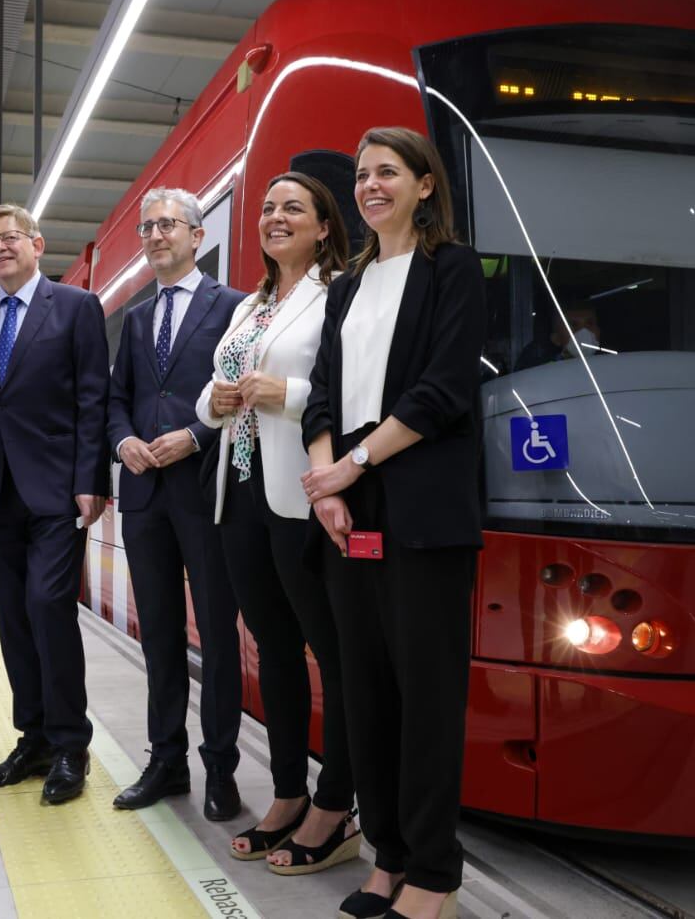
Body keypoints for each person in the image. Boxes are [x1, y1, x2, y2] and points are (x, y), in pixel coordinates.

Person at [299, 128, 485, 919]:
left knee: (426, 696)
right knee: (363, 691)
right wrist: (326, 487)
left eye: (386, 173)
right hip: (351, 512)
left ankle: (435, 873)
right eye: (361, 175)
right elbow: (320, 395)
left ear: (423, 186)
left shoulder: (454, 269)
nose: (370, 186)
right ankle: (387, 858)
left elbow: (444, 390)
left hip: (421, 509)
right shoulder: (346, 284)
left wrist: (352, 465)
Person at [196, 172, 360, 873]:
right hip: (239, 500)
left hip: (303, 497)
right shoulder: (252, 304)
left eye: (292, 207)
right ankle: (289, 792)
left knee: (337, 657)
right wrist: (219, 399)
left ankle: (337, 806)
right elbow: (209, 400)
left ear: (324, 226)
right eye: (266, 208)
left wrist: (283, 393)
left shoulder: (340, 295)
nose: (273, 217)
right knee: (274, 652)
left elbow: (350, 388)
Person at [0, 204, 110, 805]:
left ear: (37, 244)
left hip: (55, 488)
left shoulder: (75, 307)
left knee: (48, 606)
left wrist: (90, 477)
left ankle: (72, 744)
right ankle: (34, 738)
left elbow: (91, 398)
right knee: (13, 617)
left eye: (9, 238)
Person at [107, 187, 246, 820]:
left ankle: (222, 769)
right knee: (158, 635)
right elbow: (116, 400)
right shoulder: (136, 318)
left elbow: (238, 396)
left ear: (196, 235)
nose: (155, 235)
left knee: (217, 635)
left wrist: (193, 437)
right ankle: (167, 762)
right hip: (143, 497)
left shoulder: (235, 308)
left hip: (207, 490)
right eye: (147, 227)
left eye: (168, 225)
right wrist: (124, 441)